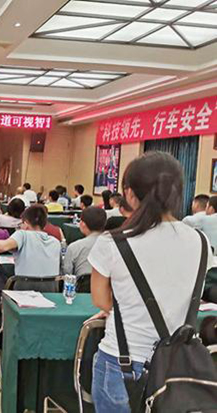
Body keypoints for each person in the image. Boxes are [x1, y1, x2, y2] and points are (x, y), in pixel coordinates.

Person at [88, 151, 213, 412]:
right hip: (179, 367)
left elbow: (100, 300)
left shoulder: (112, 243)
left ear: (130, 194)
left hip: (123, 362)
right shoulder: (201, 242)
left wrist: (128, 307)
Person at [0, 205, 61, 307]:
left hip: (23, 293)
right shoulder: (56, 242)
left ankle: (2, 304)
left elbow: (3, 246)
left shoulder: (22, 235)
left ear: (25, 224)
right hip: (50, 293)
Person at [62, 207, 106, 276]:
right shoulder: (113, 245)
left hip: (81, 282)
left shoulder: (74, 247)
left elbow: (67, 273)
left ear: (83, 224)